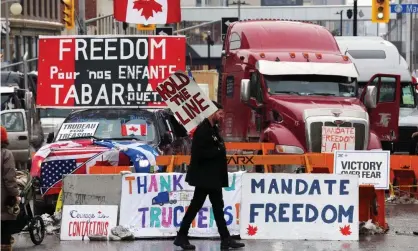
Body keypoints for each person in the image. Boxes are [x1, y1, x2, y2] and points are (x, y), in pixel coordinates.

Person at [174, 102, 245, 250]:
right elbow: (199, 154)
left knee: (218, 207)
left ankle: (225, 239)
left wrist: (218, 149)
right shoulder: (203, 130)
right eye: (220, 113)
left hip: (213, 177)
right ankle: (181, 236)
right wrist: (218, 150)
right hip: (205, 178)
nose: (222, 116)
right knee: (196, 206)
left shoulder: (212, 129)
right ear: (211, 113)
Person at [1, 126, 21, 251]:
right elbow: (9, 178)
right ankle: (5, 246)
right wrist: (15, 194)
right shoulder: (6, 154)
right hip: (2, 195)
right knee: (4, 222)